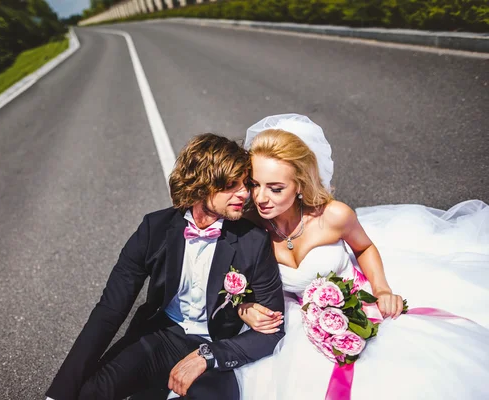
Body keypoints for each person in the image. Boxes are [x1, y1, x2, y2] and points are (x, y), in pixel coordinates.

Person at [232, 114, 489, 399]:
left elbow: (364, 248)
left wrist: (381, 289)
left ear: (300, 185)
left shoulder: (334, 216)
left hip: (354, 303)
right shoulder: (250, 225)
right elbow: (236, 276)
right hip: (294, 318)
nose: (261, 198)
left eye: (276, 188)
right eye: (255, 184)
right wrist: (245, 305)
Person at [45, 133, 285, 400]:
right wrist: (59, 393)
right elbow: (109, 311)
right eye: (231, 184)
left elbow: (273, 332)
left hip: (218, 346)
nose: (244, 193)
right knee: (91, 392)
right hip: (163, 335)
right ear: (202, 184)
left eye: (245, 183)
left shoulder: (253, 241)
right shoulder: (154, 230)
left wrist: (209, 356)